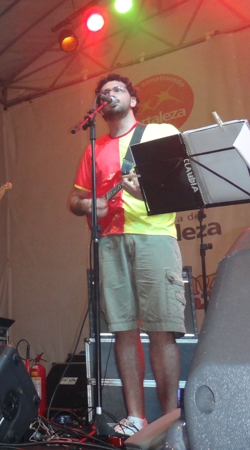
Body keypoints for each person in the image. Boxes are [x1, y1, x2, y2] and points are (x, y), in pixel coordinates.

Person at [67, 73, 185, 435]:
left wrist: (144, 193)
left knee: (161, 330)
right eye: (103, 93)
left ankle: (169, 421)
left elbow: (182, 183)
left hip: (153, 236)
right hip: (109, 240)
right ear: (98, 109)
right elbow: (74, 200)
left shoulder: (160, 133)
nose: (109, 95)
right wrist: (88, 205)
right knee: (122, 330)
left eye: (117, 90)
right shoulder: (94, 148)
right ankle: (136, 418)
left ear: (133, 100)